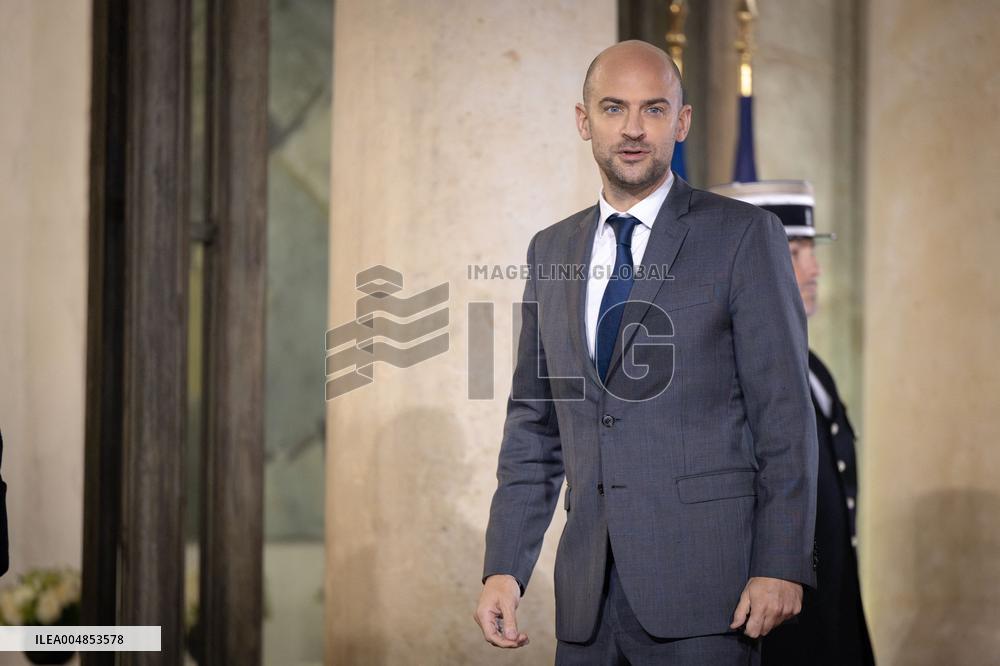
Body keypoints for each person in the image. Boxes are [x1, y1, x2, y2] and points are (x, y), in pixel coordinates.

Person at [473, 40, 818, 665]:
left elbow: (786, 417)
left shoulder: (743, 237)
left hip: (711, 599)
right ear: (584, 121)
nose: (633, 129)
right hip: (586, 606)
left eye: (654, 110)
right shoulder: (550, 251)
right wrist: (505, 567)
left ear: (681, 122)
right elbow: (534, 426)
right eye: (613, 108)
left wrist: (781, 561)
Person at [711, 180, 876, 665]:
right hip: (769, 625)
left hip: (827, 612)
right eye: (796, 252)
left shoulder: (814, 365)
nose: (813, 269)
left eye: (811, 250)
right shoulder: (724, 369)